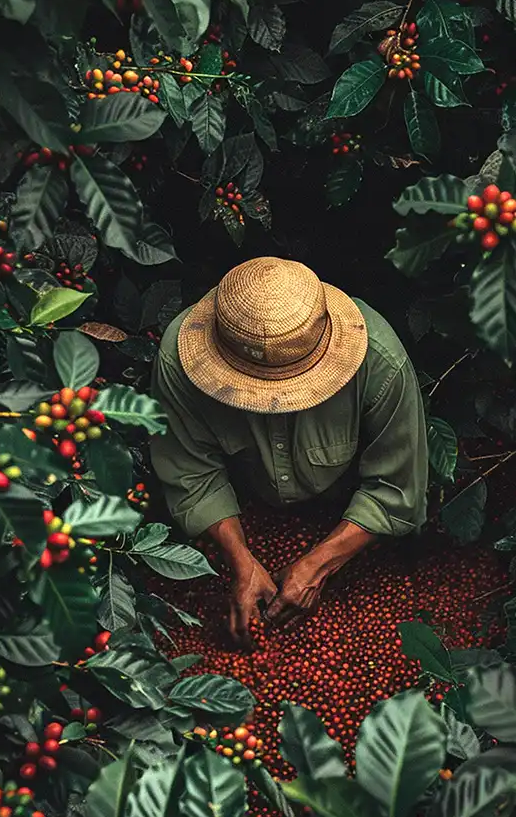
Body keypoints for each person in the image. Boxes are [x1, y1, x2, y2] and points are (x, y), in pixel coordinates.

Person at [149, 257, 428, 646]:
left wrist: (320, 564)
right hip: (248, 510)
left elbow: (398, 490)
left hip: (342, 514)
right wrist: (241, 560)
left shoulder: (380, 363)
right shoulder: (178, 361)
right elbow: (191, 472)